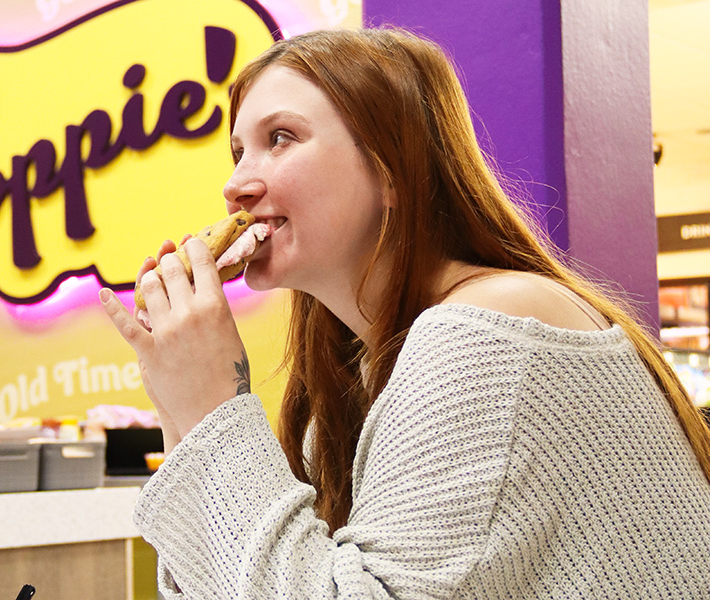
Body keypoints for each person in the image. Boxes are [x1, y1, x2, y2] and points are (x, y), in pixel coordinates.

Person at [99, 27, 710, 599]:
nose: (236, 184)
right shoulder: (359, 383)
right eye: (237, 152)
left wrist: (214, 405)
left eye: (279, 138)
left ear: (390, 166)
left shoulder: (490, 334)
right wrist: (180, 405)